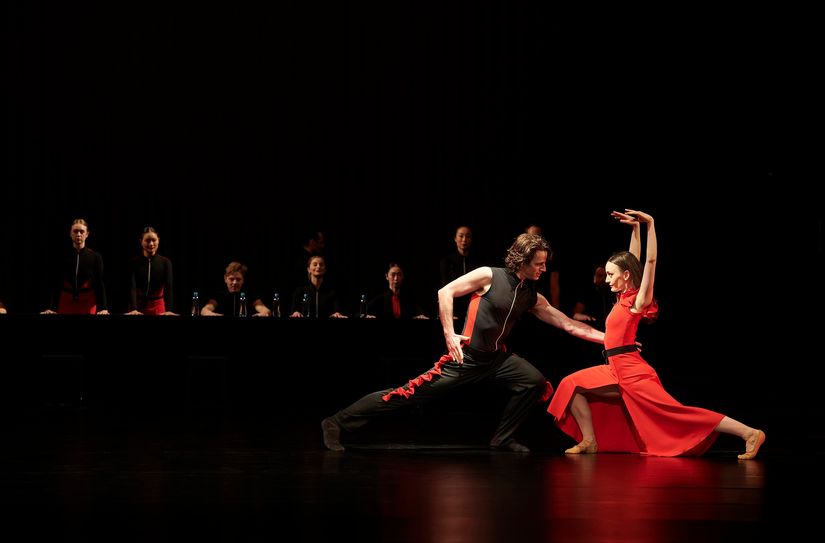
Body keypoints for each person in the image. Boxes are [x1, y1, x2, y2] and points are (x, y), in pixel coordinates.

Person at [321, 233, 605, 453]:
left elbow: (568, 324)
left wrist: (611, 338)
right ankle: (336, 422)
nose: (544, 268)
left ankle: (502, 438)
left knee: (534, 381)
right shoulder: (488, 275)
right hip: (465, 358)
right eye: (539, 263)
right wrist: (449, 333)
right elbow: (446, 292)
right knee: (404, 395)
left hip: (496, 360)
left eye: (545, 263)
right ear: (522, 260)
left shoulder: (532, 296)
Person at [547, 209, 766, 460]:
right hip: (614, 368)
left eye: (610, 274)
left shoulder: (638, 301)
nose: (606, 279)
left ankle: (749, 433)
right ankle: (590, 440)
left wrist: (650, 225)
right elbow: (633, 258)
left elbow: (648, 263)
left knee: (676, 413)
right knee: (571, 384)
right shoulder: (622, 297)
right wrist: (634, 229)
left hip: (632, 372)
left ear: (626, 275)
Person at [41, 218, 109, 315]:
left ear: (87, 234)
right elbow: (55, 283)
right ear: (70, 233)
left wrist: (104, 308)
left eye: (82, 231)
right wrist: (50, 307)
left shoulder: (95, 257)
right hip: (66, 302)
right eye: (75, 231)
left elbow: (100, 283)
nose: (78, 234)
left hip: (87, 303)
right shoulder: (62, 256)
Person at [125, 226, 177, 316]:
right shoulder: (133, 263)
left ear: (158, 240)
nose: (151, 243)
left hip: (158, 307)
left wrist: (169, 310)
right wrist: (133, 309)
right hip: (137, 308)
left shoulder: (165, 262)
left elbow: (169, 287)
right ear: (141, 241)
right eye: (147, 240)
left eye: (154, 240)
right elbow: (131, 287)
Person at [439, 225, 482, 327]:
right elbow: (446, 286)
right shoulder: (446, 261)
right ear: (455, 238)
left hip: (472, 307)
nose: (464, 240)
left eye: (468, 236)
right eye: (461, 236)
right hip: (454, 307)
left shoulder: (477, 262)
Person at [201, 261, 271, 317]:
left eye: (238, 279)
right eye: (231, 279)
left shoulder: (250, 293)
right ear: (225, 279)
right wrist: (209, 313)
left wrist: (264, 313)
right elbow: (205, 310)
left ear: (243, 280)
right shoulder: (219, 293)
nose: (234, 282)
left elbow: (264, 310)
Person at [525, 223, 560, 309]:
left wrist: (556, 308)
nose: (532, 240)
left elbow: (554, 285)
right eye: (530, 237)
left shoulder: (548, 256)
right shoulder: (522, 256)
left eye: (535, 237)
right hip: (524, 300)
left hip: (542, 300)